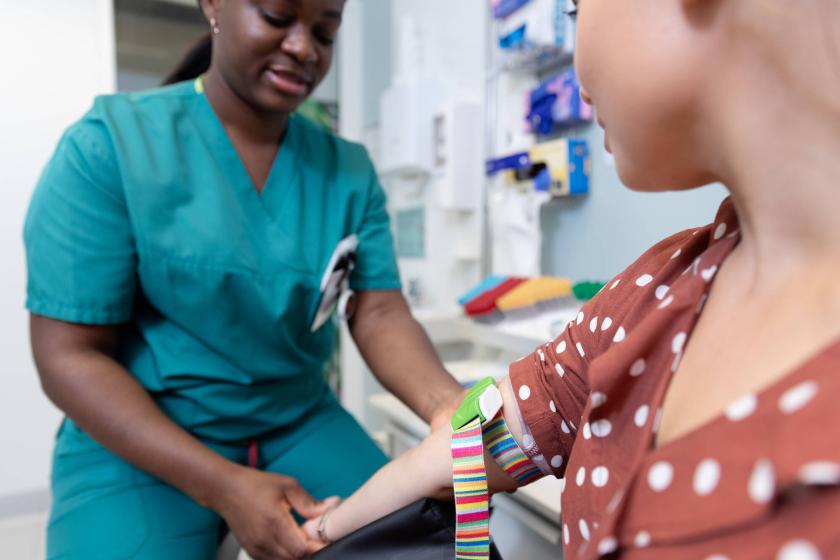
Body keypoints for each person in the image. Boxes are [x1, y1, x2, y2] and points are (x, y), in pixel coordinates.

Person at [302, 0, 840, 557]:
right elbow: (465, 451)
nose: (579, 73)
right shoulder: (656, 290)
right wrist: (318, 535)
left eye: (577, 7)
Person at [23, 1, 464, 559]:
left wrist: (449, 407)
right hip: (143, 432)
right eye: (278, 17)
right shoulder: (107, 146)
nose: (304, 48)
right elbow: (69, 357)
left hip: (296, 419)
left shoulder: (347, 169)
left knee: (427, 548)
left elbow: (378, 311)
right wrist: (223, 485)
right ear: (212, 5)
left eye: (325, 32)